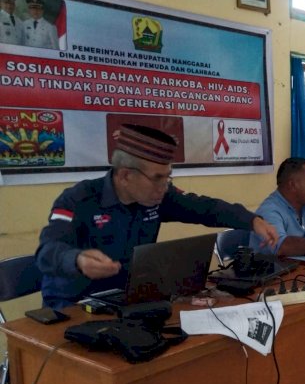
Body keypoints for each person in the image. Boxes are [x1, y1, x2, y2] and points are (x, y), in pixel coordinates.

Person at [36, 124, 278, 309]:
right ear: (124, 176)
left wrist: (252, 220)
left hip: (128, 299)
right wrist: (77, 260)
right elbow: (47, 252)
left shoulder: (160, 197)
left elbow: (207, 208)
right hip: (74, 306)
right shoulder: (78, 200)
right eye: (157, 178)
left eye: (168, 176)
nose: (164, 186)